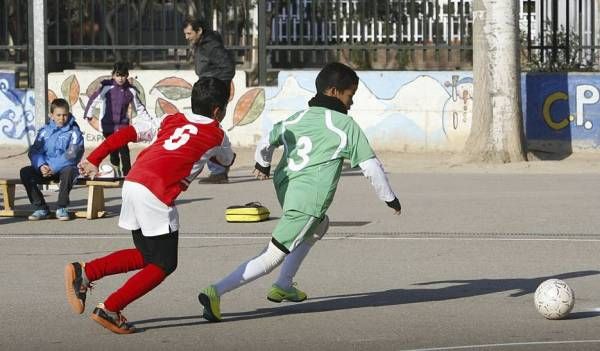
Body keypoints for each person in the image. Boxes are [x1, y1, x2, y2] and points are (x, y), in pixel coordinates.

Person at [198, 62, 402, 322]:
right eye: (350, 95)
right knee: (272, 255)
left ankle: (283, 284)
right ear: (333, 91)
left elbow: (266, 139)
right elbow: (371, 167)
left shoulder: (295, 118)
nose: (351, 103)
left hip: (287, 188)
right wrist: (390, 199)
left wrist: (263, 163)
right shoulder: (343, 124)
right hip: (307, 199)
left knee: (319, 224)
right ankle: (215, 291)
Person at [67, 77, 235, 334]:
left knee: (147, 256)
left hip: (134, 182)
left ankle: (86, 271)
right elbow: (226, 160)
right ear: (218, 111)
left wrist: (95, 158)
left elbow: (128, 132)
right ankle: (110, 308)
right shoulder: (217, 133)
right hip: (157, 192)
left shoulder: (169, 120)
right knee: (165, 264)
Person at [183, 17, 235, 184]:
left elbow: (228, 68)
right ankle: (223, 162)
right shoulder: (202, 44)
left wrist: (214, 86)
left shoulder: (211, 46)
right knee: (209, 128)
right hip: (206, 91)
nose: (187, 37)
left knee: (209, 129)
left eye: (189, 33)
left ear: (199, 31)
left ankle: (220, 168)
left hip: (212, 93)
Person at [19, 98, 84, 221]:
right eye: (58, 115)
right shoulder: (44, 131)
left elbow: (73, 154)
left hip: (63, 170)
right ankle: (41, 208)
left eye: (65, 115)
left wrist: (53, 167)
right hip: (45, 169)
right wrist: (41, 165)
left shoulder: (74, 132)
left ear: (69, 114)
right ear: (51, 115)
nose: (62, 118)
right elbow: (34, 151)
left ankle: (62, 207)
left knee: (69, 170)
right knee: (25, 172)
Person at [84, 61, 148, 176]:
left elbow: (139, 107)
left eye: (123, 75)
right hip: (108, 125)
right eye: (118, 75)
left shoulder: (131, 90)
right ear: (113, 75)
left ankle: (127, 174)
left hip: (122, 126)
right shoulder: (106, 87)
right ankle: (116, 167)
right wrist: (88, 114)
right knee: (112, 149)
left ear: (127, 76)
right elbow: (94, 99)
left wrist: (147, 121)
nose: (120, 78)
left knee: (124, 149)